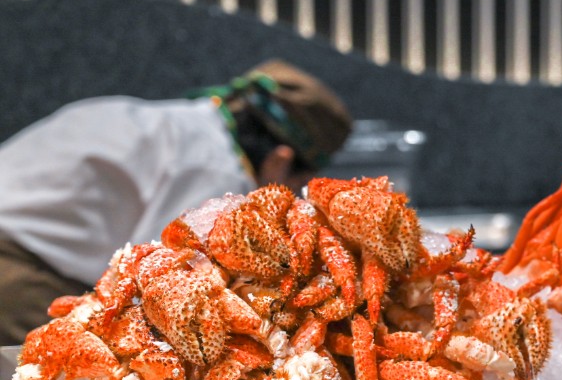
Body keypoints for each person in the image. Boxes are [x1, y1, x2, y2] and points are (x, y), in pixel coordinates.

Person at [0, 60, 352, 346]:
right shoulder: (215, 172)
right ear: (279, 160)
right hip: (16, 272)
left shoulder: (176, 120)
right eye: (294, 183)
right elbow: (160, 282)